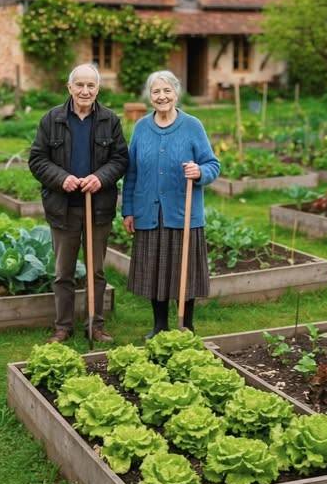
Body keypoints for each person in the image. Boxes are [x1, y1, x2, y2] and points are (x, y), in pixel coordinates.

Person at [29, 63, 128, 344]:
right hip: (63, 207)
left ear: (98, 89)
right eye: (80, 85)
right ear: (69, 87)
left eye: (91, 86)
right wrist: (62, 179)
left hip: (98, 208)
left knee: (95, 270)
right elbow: (37, 159)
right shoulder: (52, 119)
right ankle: (63, 326)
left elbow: (120, 159)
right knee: (64, 271)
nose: (85, 91)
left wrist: (100, 177)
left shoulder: (110, 120)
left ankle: (95, 325)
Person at [122, 70, 220, 338]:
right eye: (156, 92)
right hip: (148, 212)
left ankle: (186, 326)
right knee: (155, 270)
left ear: (176, 94)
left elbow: (213, 164)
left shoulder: (192, 126)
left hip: (182, 212)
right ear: (149, 96)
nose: (162, 96)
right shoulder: (141, 127)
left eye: (167, 91)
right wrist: (128, 210)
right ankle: (159, 325)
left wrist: (200, 172)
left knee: (184, 272)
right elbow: (131, 172)